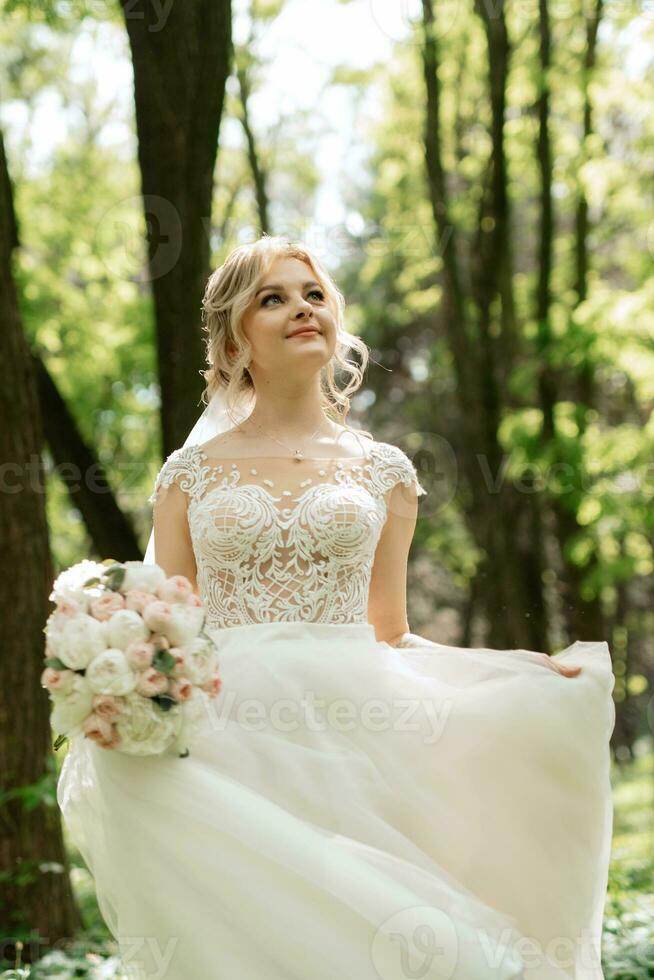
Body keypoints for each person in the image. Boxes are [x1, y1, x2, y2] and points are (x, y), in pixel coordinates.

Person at [57, 235, 616, 980]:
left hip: (360, 735)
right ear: (234, 337)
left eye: (313, 294)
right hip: (232, 737)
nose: (301, 309)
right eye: (274, 298)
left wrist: (522, 673)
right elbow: (172, 621)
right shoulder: (186, 475)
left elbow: (392, 631)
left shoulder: (384, 470)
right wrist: (122, 684)